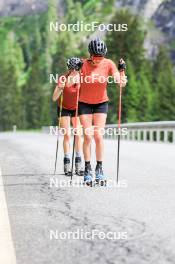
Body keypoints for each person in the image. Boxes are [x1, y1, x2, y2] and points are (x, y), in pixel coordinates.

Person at [78, 38, 127, 185]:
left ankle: (99, 168)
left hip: (101, 103)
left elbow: (120, 83)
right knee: (87, 137)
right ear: (90, 55)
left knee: (98, 136)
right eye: (96, 56)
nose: (98, 59)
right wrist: (75, 69)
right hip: (84, 104)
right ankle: (87, 169)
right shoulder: (83, 64)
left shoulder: (108, 63)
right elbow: (72, 80)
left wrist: (122, 71)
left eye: (101, 56)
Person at [52, 57, 83, 175]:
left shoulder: (82, 79)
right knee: (67, 135)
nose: (75, 71)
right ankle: (66, 163)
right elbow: (54, 98)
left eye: (77, 68)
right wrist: (60, 88)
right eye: (73, 69)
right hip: (63, 109)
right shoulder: (63, 78)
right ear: (69, 69)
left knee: (78, 135)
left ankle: (78, 165)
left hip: (76, 109)